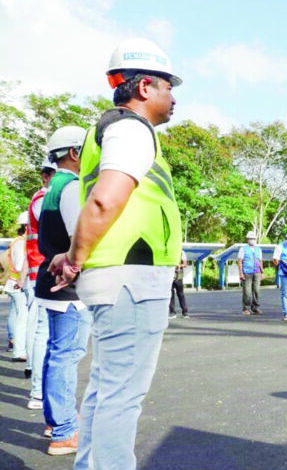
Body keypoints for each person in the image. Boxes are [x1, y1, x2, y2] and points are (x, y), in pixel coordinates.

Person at [46, 38, 184, 469]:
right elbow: (105, 201)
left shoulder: (104, 131)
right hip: (132, 278)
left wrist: (73, 252)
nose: (173, 97)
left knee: (106, 389)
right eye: (167, 86)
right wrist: (75, 257)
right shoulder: (130, 129)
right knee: (122, 395)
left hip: (116, 274)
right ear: (145, 87)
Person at [34, 125, 91, 456]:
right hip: (67, 286)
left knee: (57, 354)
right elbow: (79, 239)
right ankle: (65, 430)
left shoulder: (51, 187)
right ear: (74, 153)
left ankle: (56, 420)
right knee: (67, 355)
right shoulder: (71, 187)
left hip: (51, 280)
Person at [24, 160, 56, 382]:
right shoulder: (43, 199)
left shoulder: (40, 198)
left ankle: (36, 381)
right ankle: (38, 389)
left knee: (37, 326)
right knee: (41, 329)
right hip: (41, 269)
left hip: (40, 268)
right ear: (45, 176)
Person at [5, 212, 29, 362]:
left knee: (15, 314)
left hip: (12, 282)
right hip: (18, 283)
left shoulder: (17, 241)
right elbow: (21, 264)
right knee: (23, 317)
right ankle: (19, 351)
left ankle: (13, 341)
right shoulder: (22, 243)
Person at [239, 231, 264, 315]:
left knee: (257, 290)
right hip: (247, 272)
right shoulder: (243, 249)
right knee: (247, 291)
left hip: (256, 272)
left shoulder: (258, 249)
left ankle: (255, 307)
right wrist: (241, 273)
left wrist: (262, 272)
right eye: (250, 239)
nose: (252, 240)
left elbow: (260, 261)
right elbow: (239, 261)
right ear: (247, 239)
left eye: (253, 239)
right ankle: (246, 308)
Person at [169, 250, 189, 319]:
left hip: (178, 277)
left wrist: (180, 266)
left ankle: (185, 312)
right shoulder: (168, 252)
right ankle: (172, 312)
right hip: (169, 276)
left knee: (181, 294)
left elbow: (185, 264)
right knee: (170, 295)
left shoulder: (181, 252)